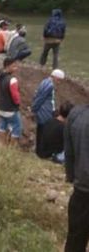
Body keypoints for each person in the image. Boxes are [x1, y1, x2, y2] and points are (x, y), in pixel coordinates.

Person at [64, 103, 89, 251]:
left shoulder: (75, 115)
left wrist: (71, 175)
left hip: (81, 189)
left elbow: (69, 151)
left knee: (75, 240)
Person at [0, 58, 21, 146]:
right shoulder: (12, 80)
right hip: (10, 109)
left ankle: (1, 145)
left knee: (3, 126)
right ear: (7, 66)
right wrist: (17, 103)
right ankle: (12, 148)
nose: (16, 68)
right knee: (17, 127)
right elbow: (15, 95)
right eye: (14, 66)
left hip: (1, 107)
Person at [32, 69, 64, 154]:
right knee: (44, 132)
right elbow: (40, 98)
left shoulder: (44, 81)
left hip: (42, 111)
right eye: (58, 80)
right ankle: (41, 151)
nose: (59, 83)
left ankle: (39, 150)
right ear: (54, 77)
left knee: (40, 131)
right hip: (45, 112)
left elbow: (37, 95)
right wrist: (34, 109)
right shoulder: (50, 86)